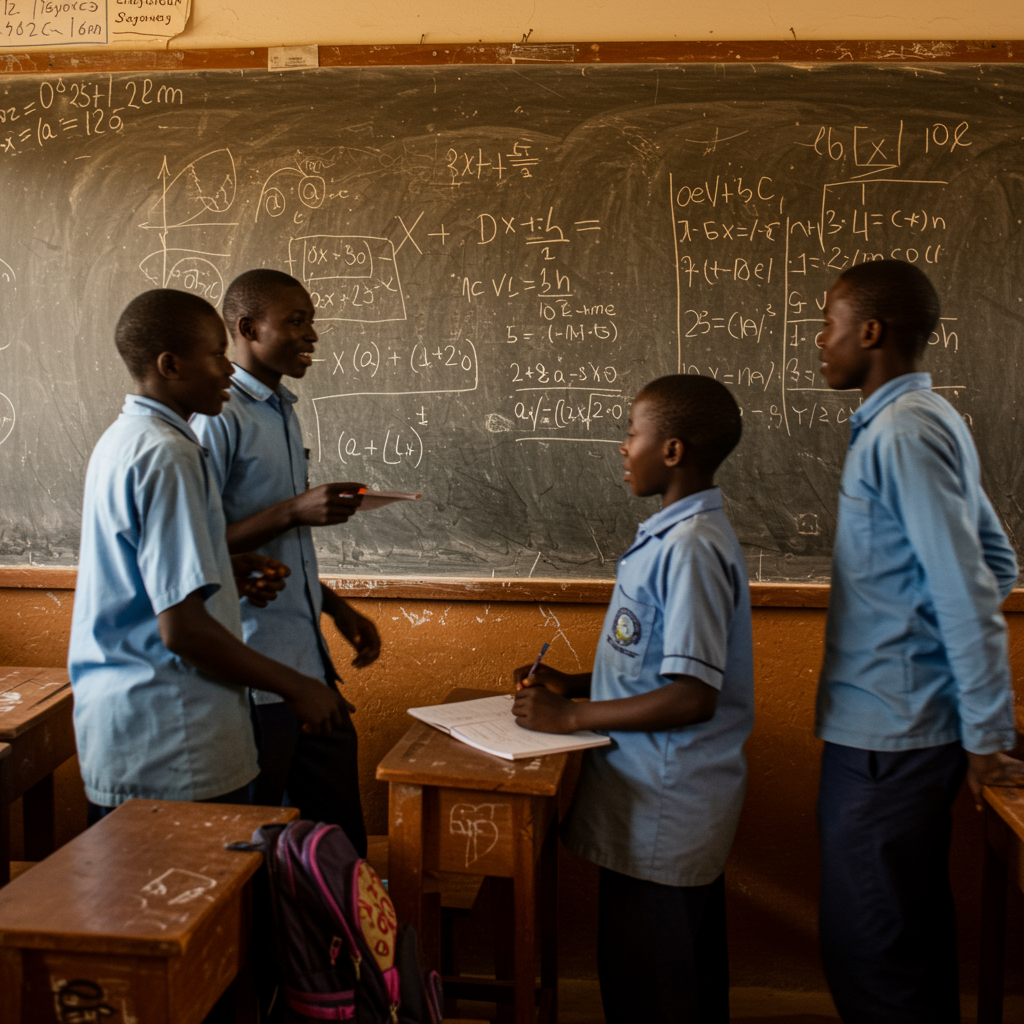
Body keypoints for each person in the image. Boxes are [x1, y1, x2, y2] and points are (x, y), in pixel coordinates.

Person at [813, 259, 1024, 1024]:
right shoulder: (929, 422)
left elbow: (969, 588)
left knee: (871, 956)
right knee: (905, 937)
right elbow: (995, 562)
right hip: (903, 732)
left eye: (829, 324)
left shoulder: (901, 434)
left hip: (887, 743)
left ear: (871, 332)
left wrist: (986, 734)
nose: (818, 340)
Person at [512, 374, 752, 1024]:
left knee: (651, 989)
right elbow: (657, 667)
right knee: (668, 978)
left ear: (672, 450)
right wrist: (573, 682)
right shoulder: (670, 537)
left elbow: (693, 696)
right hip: (653, 805)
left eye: (632, 432)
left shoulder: (693, 549)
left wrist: (570, 716)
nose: (622, 447)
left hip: (665, 811)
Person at [69, 289, 350, 822]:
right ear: (169, 365)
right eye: (216, 355)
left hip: (130, 725)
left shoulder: (126, 438)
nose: (228, 369)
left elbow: (144, 572)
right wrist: (296, 685)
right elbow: (182, 629)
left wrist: (226, 567)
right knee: (191, 901)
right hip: (174, 738)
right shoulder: (169, 454)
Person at [191, 269, 380, 857]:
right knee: (255, 856)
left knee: (338, 848)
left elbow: (279, 548)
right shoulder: (218, 417)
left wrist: (336, 607)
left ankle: (334, 949)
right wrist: (293, 510)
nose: (312, 334)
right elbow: (193, 543)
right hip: (253, 677)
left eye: (311, 320)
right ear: (248, 328)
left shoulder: (280, 408)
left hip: (305, 664)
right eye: (295, 321)